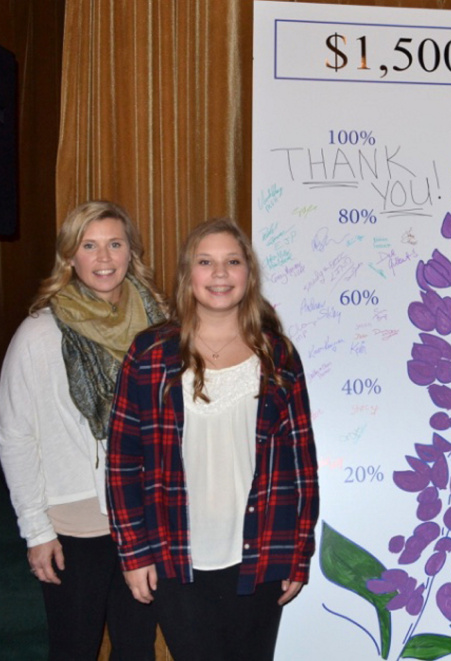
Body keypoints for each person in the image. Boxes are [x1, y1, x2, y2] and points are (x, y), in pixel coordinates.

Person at [106, 217, 320, 661]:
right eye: (206, 262)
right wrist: (133, 552)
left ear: (249, 274)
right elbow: (122, 463)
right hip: (175, 555)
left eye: (232, 261)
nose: (220, 273)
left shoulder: (278, 356)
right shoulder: (149, 355)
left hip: (262, 555)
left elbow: (302, 465)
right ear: (188, 275)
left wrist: (299, 552)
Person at [0, 200, 163, 660]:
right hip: (73, 524)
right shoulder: (39, 334)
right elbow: (15, 438)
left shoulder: (160, 326)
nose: (105, 258)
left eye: (115, 244)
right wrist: (36, 532)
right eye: (89, 246)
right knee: (74, 648)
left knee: (136, 648)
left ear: (132, 252)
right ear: (70, 257)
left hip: (143, 516)